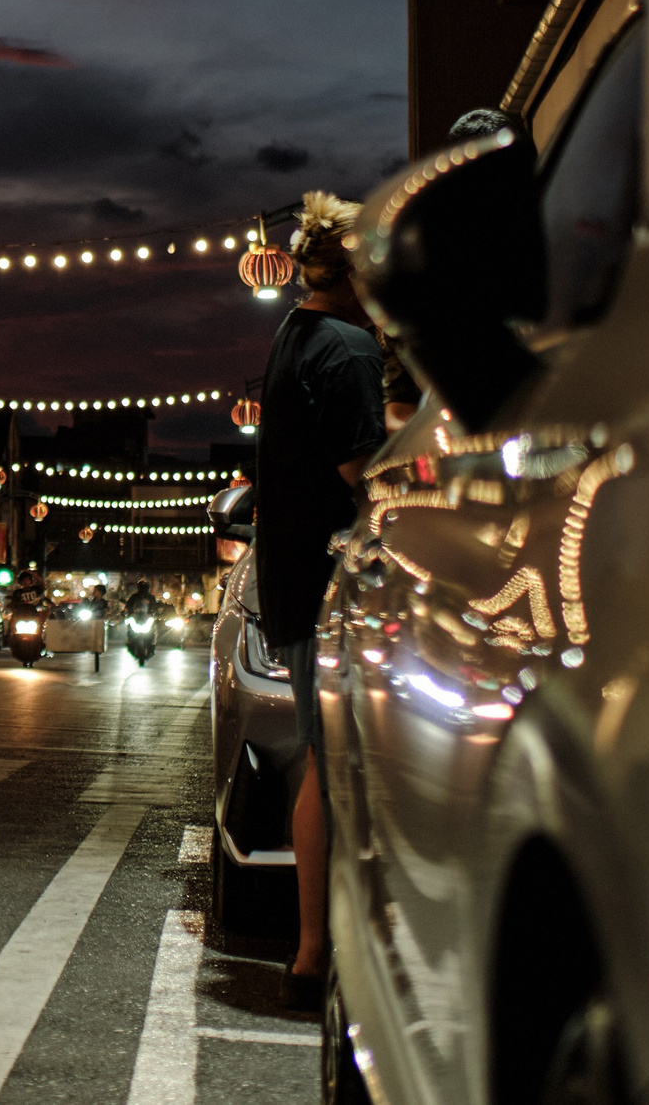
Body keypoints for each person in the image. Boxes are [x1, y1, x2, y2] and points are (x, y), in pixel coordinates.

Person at [253, 190, 387, 1009]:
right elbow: (361, 474)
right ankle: (314, 951)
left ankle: (312, 950)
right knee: (335, 765)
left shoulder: (293, 335)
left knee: (320, 755)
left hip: (295, 578)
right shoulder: (347, 349)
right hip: (337, 580)